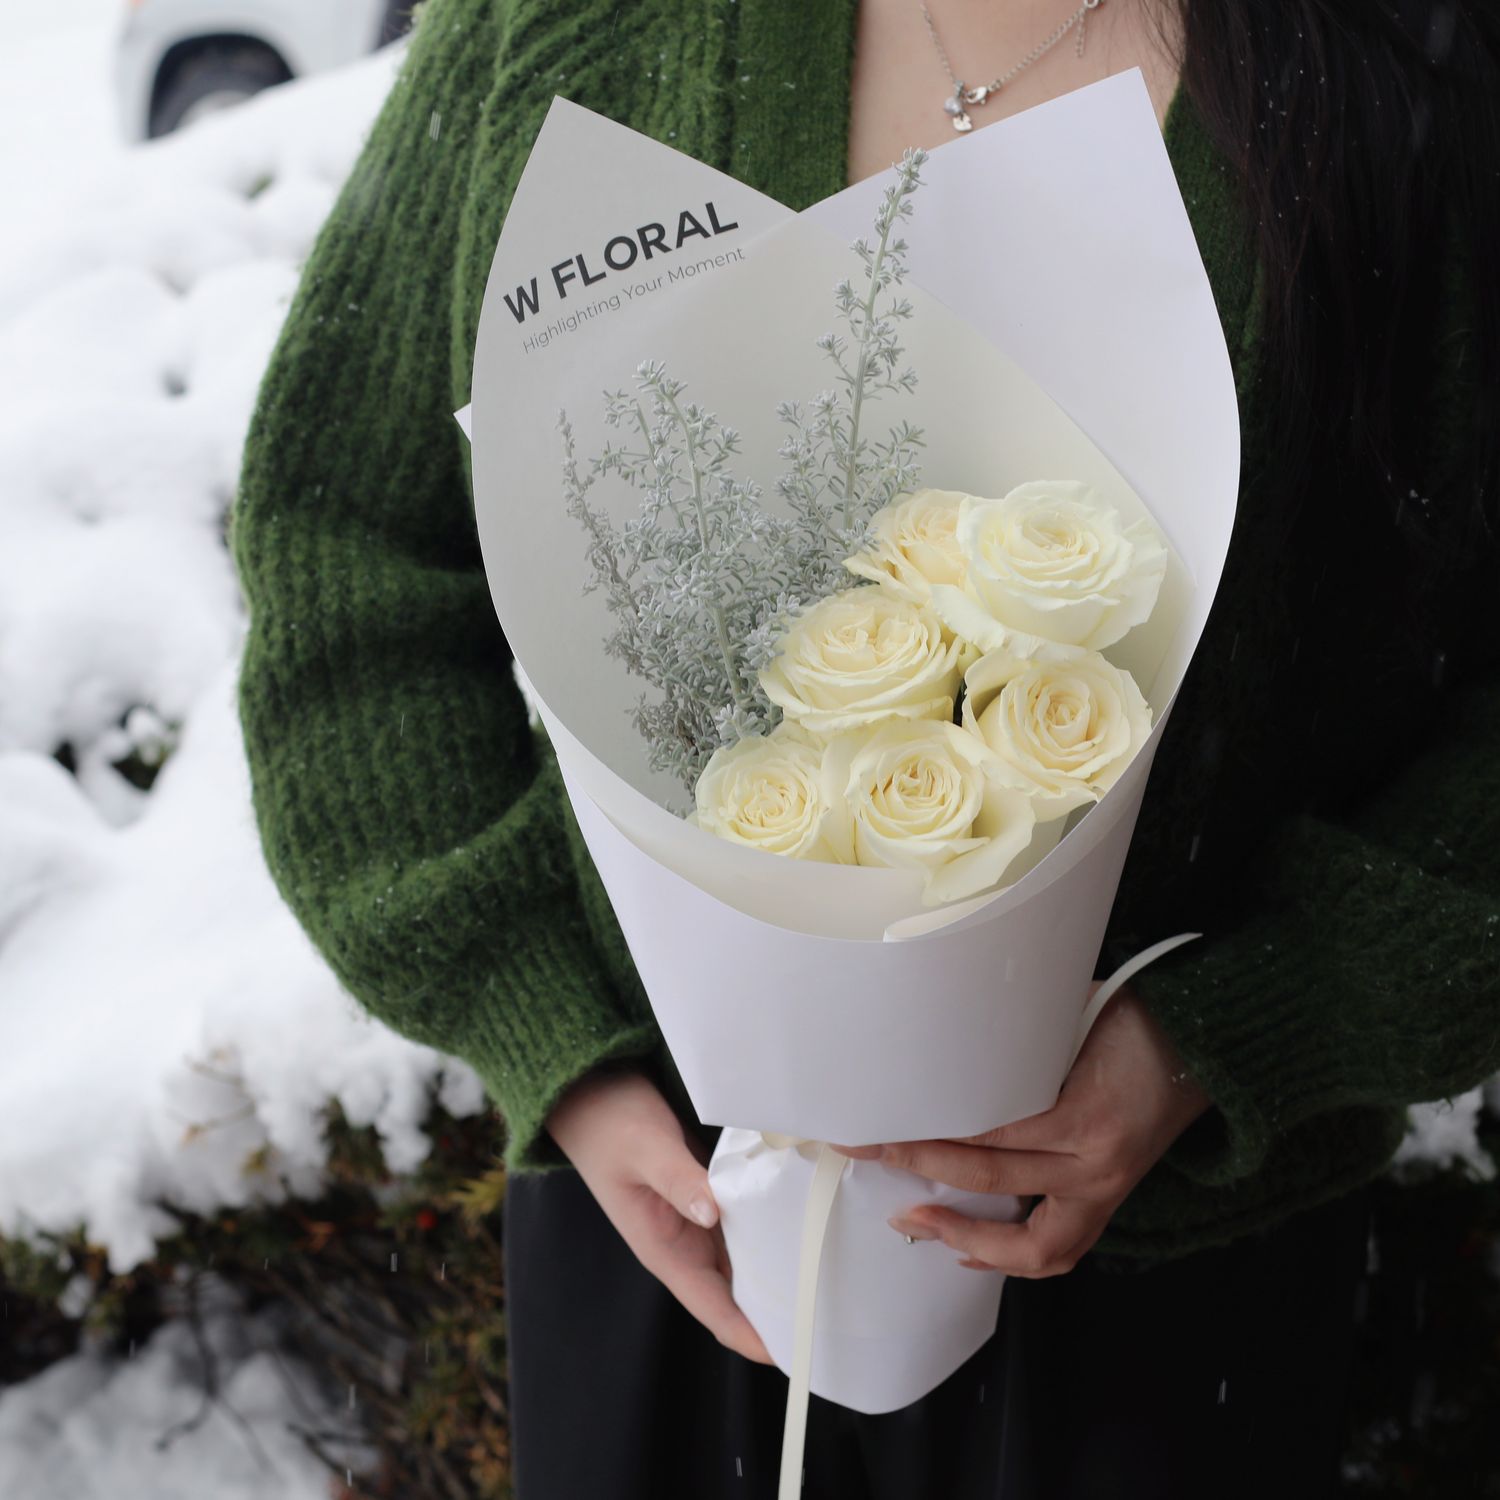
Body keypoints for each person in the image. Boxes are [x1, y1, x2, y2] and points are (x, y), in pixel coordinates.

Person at [230, 1, 1500, 1495]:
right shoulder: (569, 21)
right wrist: (547, 1034)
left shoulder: (1422, 56)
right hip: (667, 1218)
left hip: (1172, 1288)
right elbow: (347, 556)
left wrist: (1247, 1029)